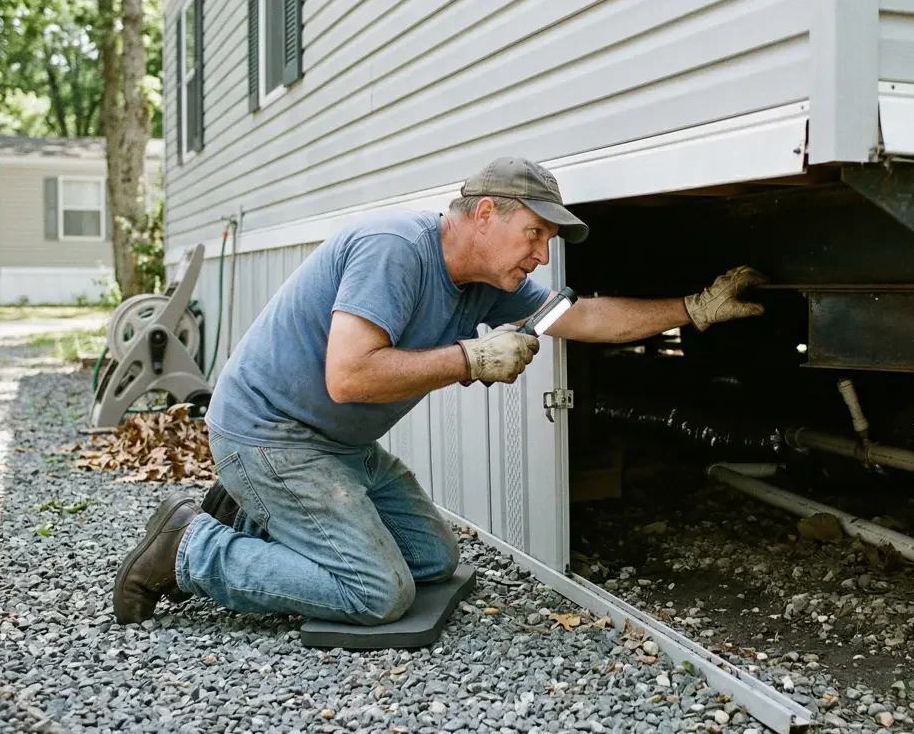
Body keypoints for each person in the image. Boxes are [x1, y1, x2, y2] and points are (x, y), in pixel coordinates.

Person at [112, 156, 766, 625]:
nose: (542, 256)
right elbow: (349, 375)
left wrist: (694, 309)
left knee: (432, 559)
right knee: (378, 593)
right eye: (534, 234)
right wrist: (468, 358)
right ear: (485, 214)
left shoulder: (490, 284)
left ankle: (254, 514)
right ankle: (190, 547)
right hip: (272, 436)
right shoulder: (394, 250)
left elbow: (583, 317)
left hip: (338, 446)